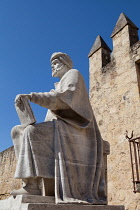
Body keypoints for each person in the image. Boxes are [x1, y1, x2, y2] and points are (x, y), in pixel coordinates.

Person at [11, 52, 107, 204]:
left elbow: (62, 100)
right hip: (60, 128)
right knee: (17, 131)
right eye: (52, 65)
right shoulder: (58, 85)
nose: (52, 67)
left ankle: (32, 186)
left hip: (75, 128)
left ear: (65, 63)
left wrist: (32, 96)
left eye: (55, 63)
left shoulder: (73, 75)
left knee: (31, 131)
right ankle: (29, 183)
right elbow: (51, 112)